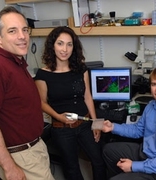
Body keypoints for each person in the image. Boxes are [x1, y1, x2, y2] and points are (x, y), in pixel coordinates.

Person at [0, 6, 54, 180]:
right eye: (12, 31)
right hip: (20, 157)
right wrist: (9, 168)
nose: (22, 36)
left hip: (32, 150)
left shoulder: (14, 62)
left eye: (25, 30)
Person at [34, 26, 107, 180]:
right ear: (52, 46)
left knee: (99, 161)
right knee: (72, 169)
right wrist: (58, 117)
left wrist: (97, 124)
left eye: (69, 44)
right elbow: (41, 102)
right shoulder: (43, 74)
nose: (64, 49)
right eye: (60, 43)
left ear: (74, 47)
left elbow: (87, 96)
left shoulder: (81, 69)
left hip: (85, 123)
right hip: (62, 129)